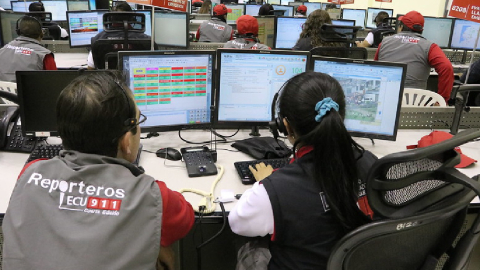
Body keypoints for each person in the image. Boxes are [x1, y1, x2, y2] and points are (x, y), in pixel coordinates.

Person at [2, 71, 195, 270]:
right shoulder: (154, 196)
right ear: (126, 141)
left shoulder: (31, 172)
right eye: (137, 122)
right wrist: (158, 244)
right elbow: (185, 219)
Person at [228, 71, 377, 269]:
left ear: (286, 126)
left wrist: (268, 182)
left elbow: (237, 223)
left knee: (252, 249)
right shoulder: (370, 162)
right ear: (341, 116)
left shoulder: (275, 191)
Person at [375, 11, 454, 102]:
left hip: (385, 101)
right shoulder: (430, 47)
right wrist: (442, 99)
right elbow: (447, 68)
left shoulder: (384, 42)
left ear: (401, 27)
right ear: (422, 30)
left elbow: (375, 68)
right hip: (414, 106)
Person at [87, 2, 154, 69]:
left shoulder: (97, 40)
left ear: (110, 19)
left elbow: (91, 69)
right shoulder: (148, 41)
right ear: (132, 19)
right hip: (135, 78)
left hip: (106, 79)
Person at [0, 15, 57, 82]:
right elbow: (55, 81)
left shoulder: (2, 50)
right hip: (31, 92)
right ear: (41, 34)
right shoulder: (44, 55)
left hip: (4, 91)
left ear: (18, 32)